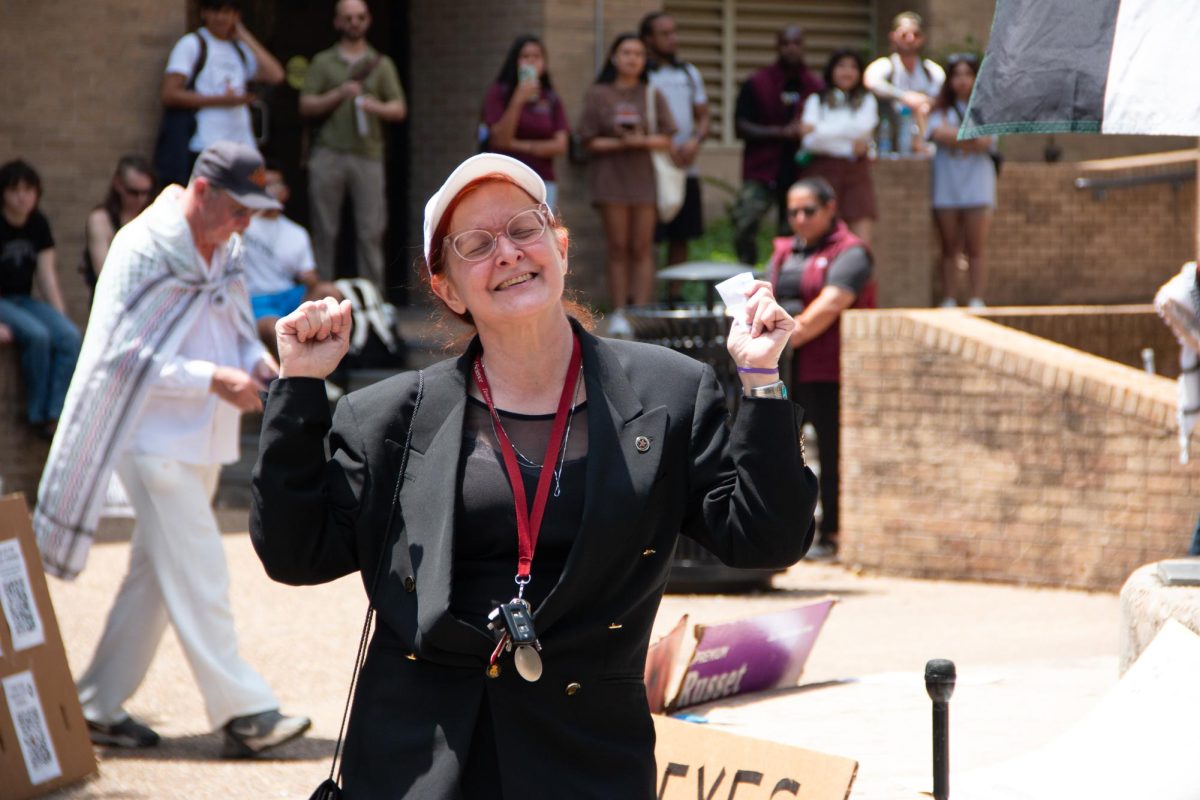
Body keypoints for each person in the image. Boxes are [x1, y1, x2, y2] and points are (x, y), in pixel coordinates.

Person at [249, 152, 817, 797]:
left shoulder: (670, 392)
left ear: (560, 246)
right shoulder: (385, 416)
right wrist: (297, 386)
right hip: (419, 760)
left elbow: (765, 540)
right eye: (476, 244)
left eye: (524, 229)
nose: (509, 253)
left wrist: (762, 380)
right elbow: (295, 554)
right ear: (447, 288)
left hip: (587, 757)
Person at [34, 142, 310, 756]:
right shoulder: (142, 246)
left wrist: (259, 368)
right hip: (147, 436)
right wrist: (213, 379)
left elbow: (235, 331)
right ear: (204, 192)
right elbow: (121, 354)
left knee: (156, 576)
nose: (245, 225)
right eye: (239, 210)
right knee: (201, 564)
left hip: (200, 438)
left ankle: (96, 704)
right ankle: (245, 712)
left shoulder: (227, 245)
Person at [768, 177, 875, 560]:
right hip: (786, 370)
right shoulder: (784, 251)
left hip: (833, 370)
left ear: (830, 208)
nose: (799, 219)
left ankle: (833, 534)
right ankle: (786, 535)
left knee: (832, 455)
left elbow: (830, 306)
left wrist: (783, 337)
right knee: (782, 453)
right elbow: (765, 293)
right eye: (792, 211)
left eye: (808, 211)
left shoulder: (852, 252)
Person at [300, 0, 407, 288]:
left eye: (360, 17)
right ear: (337, 22)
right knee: (325, 229)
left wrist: (374, 106)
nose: (354, 23)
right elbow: (306, 105)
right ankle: (321, 299)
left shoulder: (381, 64)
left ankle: (374, 303)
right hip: (328, 152)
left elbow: (399, 108)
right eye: (348, 18)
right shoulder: (323, 62)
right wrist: (338, 94)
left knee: (370, 231)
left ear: (368, 20)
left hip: (368, 154)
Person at [578, 33, 676, 309]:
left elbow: (668, 138)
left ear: (645, 60)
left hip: (645, 179)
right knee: (618, 247)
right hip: (610, 179)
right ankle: (621, 311)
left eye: (638, 54)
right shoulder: (599, 94)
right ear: (614, 57)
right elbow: (587, 140)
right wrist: (620, 142)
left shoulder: (652, 93)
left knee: (643, 247)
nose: (632, 59)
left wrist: (641, 141)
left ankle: (639, 312)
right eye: (626, 53)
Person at [0, 159, 82, 440]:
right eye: (15, 190)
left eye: (28, 190)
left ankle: (57, 413)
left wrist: (60, 315)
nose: (22, 197)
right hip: (2, 302)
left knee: (69, 336)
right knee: (37, 336)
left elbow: (47, 275)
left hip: (23, 298)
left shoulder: (38, 223)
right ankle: (37, 414)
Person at [730, 25, 824, 266]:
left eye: (796, 43)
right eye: (785, 43)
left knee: (793, 231)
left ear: (804, 47)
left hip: (799, 171)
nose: (791, 49)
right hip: (762, 168)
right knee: (745, 222)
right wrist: (781, 132)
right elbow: (740, 126)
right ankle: (746, 272)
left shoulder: (815, 87)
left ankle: (783, 279)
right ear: (777, 46)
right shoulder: (757, 82)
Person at [160, 0, 284, 177]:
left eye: (227, 12)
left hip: (242, 145)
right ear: (204, 13)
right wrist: (223, 100)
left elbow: (276, 75)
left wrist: (243, 34)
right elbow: (169, 94)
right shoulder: (193, 44)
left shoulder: (239, 48)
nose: (220, 17)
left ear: (236, 15)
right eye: (215, 11)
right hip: (206, 144)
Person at [241, 167, 342, 356]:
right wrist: (255, 211)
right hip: (255, 300)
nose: (271, 189)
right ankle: (292, 377)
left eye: (275, 184)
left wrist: (309, 278)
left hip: (287, 296)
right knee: (275, 328)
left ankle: (323, 362)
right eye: (265, 185)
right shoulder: (242, 224)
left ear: (285, 192)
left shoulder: (297, 232)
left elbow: (311, 279)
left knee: (329, 293)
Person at [641, 11, 711, 265]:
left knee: (682, 235)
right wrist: (666, 145)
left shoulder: (689, 73)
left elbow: (704, 117)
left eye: (674, 32)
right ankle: (647, 298)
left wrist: (694, 141)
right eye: (664, 34)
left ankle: (675, 296)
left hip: (685, 165)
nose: (673, 39)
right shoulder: (643, 75)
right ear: (648, 39)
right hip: (655, 166)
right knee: (649, 236)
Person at [928, 53, 996, 309]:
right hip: (946, 185)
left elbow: (985, 141)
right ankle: (949, 298)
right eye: (957, 74)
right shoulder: (940, 109)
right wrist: (969, 138)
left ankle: (977, 298)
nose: (962, 80)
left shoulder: (986, 108)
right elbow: (935, 133)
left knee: (976, 245)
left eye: (968, 74)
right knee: (948, 246)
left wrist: (952, 136)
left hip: (979, 186)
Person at [798, 49, 879, 245]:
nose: (847, 72)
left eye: (852, 67)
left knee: (860, 238)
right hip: (822, 171)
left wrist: (820, 130)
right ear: (832, 70)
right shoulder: (817, 100)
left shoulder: (867, 100)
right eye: (841, 66)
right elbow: (809, 141)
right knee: (820, 233)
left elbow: (863, 129)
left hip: (855, 172)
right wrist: (849, 143)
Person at [482, 35, 570, 211]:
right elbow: (500, 139)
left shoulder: (550, 97)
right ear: (515, 62)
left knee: (537, 232)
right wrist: (518, 99)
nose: (531, 61)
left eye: (536, 57)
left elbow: (560, 145)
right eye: (525, 56)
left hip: (542, 178)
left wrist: (519, 145)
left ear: (544, 63)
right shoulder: (499, 92)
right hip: (505, 178)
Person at [864, 12, 944, 155]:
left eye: (916, 34)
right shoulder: (885, 66)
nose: (910, 39)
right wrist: (904, 96)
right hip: (887, 144)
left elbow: (939, 97)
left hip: (923, 148)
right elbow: (870, 81)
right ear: (893, 36)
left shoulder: (932, 71)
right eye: (904, 34)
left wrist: (925, 103)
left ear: (923, 38)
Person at [82, 155, 156, 296]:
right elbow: (104, 276)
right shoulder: (101, 219)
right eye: (133, 192)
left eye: (146, 192)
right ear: (118, 185)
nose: (141, 199)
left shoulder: (155, 217)